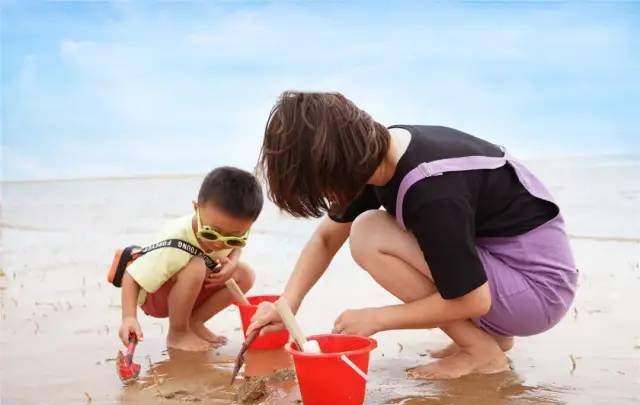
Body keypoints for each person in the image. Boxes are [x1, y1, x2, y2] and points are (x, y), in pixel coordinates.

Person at [248, 91, 578, 379]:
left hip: (538, 292)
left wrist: (377, 318)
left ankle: (481, 352)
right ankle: (491, 336)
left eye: (319, 186)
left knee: (369, 233)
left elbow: (474, 300)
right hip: (509, 275)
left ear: (334, 165)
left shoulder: (431, 188)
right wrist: (287, 304)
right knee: (370, 228)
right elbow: (326, 238)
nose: (327, 196)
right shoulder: (378, 153)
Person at [118, 167, 263, 352]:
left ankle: (194, 322)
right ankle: (177, 334)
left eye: (234, 237)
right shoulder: (175, 241)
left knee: (245, 274)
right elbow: (131, 276)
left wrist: (232, 262)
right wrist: (129, 318)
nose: (220, 243)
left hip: (190, 284)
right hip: (156, 297)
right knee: (196, 266)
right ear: (196, 209)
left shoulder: (224, 228)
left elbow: (236, 248)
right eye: (211, 233)